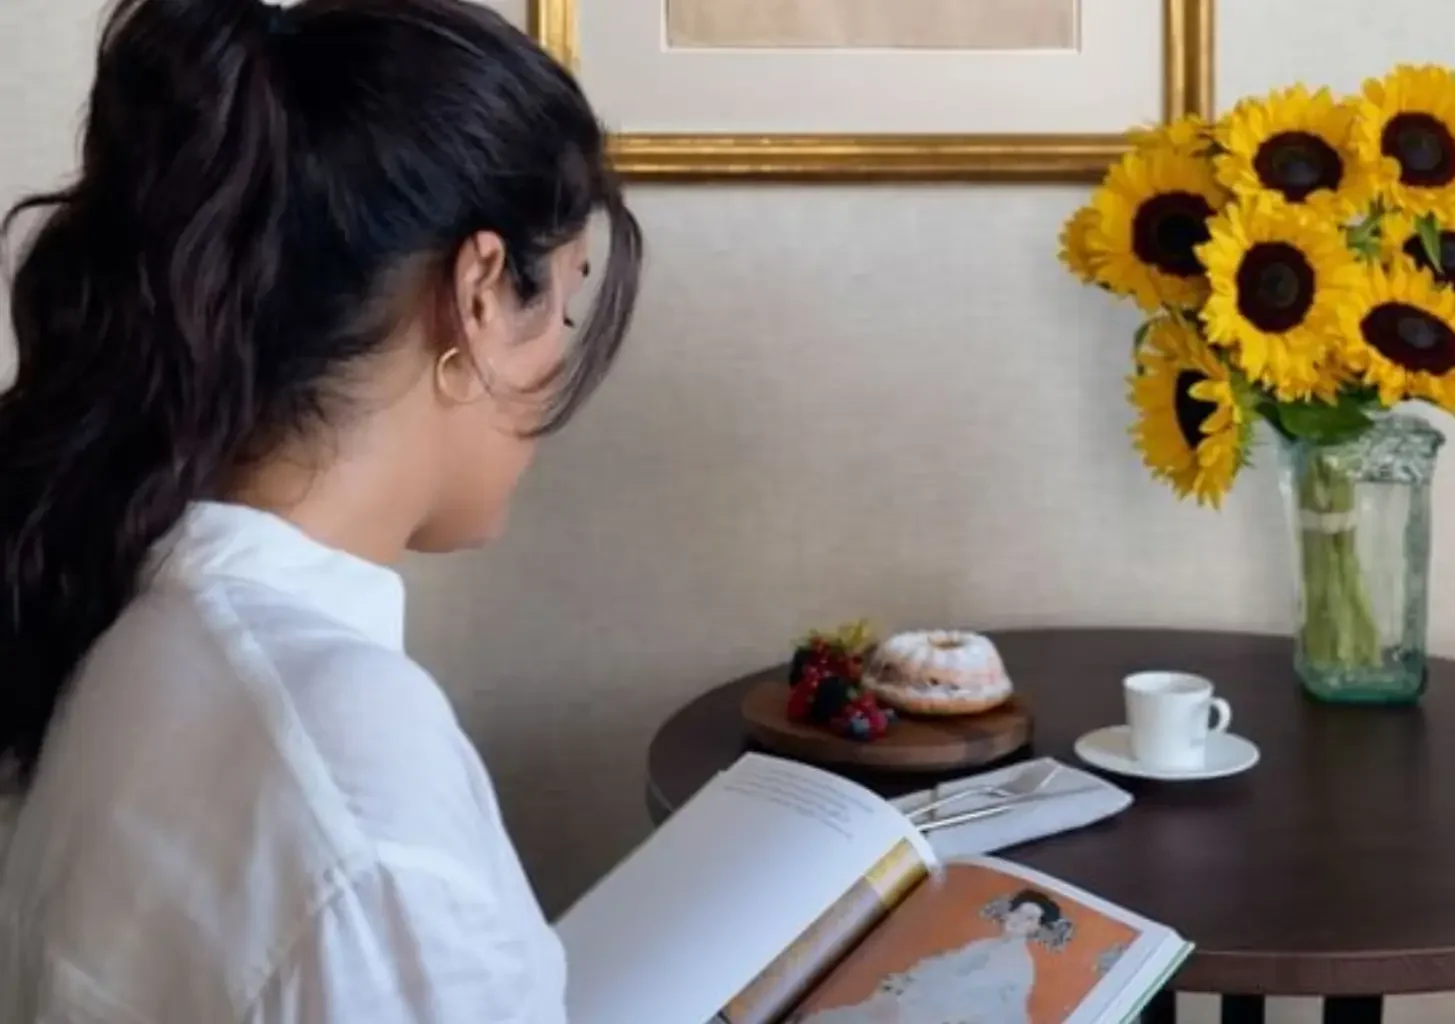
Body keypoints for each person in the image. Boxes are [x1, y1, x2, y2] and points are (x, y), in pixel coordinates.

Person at [0, 0, 640, 1020]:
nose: (560, 347)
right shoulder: (349, 765)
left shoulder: (141, 621)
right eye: (559, 299)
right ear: (476, 292)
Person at [796, 889, 1074, 1024]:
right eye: (1017, 912)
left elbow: (969, 1007)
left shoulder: (1016, 965)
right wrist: (905, 983)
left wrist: (908, 1004)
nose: (1018, 921)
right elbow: (938, 970)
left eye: (1029, 919)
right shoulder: (983, 945)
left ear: (1037, 928)